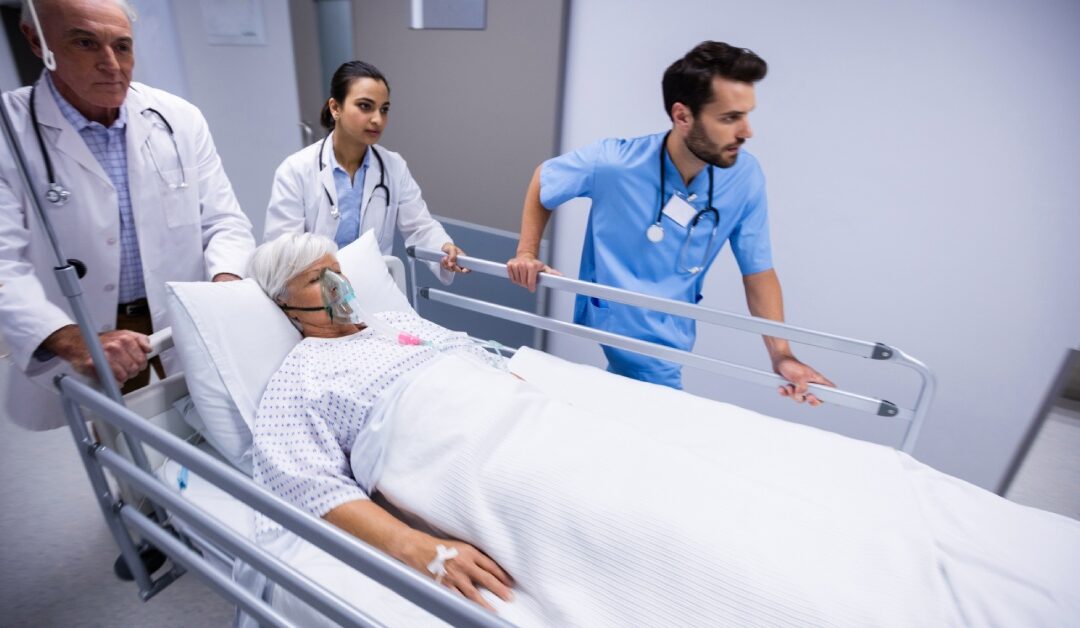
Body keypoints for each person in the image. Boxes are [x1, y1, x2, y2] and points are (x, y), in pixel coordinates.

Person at [247, 233, 1079, 626]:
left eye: (342, 272)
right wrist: (417, 547)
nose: (344, 289)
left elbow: (490, 360)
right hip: (467, 452)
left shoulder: (403, 328)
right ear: (289, 301)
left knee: (698, 484)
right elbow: (308, 487)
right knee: (650, 530)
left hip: (531, 410)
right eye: (323, 280)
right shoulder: (299, 378)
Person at [507, 41, 831, 398]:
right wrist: (526, 252)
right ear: (682, 116)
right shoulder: (616, 163)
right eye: (729, 118)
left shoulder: (745, 177)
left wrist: (782, 355)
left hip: (672, 329)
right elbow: (546, 179)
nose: (746, 131)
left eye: (747, 115)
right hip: (615, 318)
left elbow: (758, 271)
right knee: (651, 416)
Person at [0, 0, 255, 430]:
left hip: (175, 321)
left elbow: (224, 222)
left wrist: (224, 284)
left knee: (193, 434)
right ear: (36, 40)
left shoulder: (178, 119)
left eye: (122, 46)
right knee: (111, 447)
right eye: (85, 43)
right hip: (79, 333)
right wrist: (71, 338)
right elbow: (5, 266)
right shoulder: (8, 129)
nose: (111, 64)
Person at [263, 60, 466, 283]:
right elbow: (281, 251)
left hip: (372, 289)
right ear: (335, 108)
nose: (377, 119)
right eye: (365, 106)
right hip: (312, 293)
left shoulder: (393, 167)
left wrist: (444, 248)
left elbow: (419, 227)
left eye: (384, 109)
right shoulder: (296, 170)